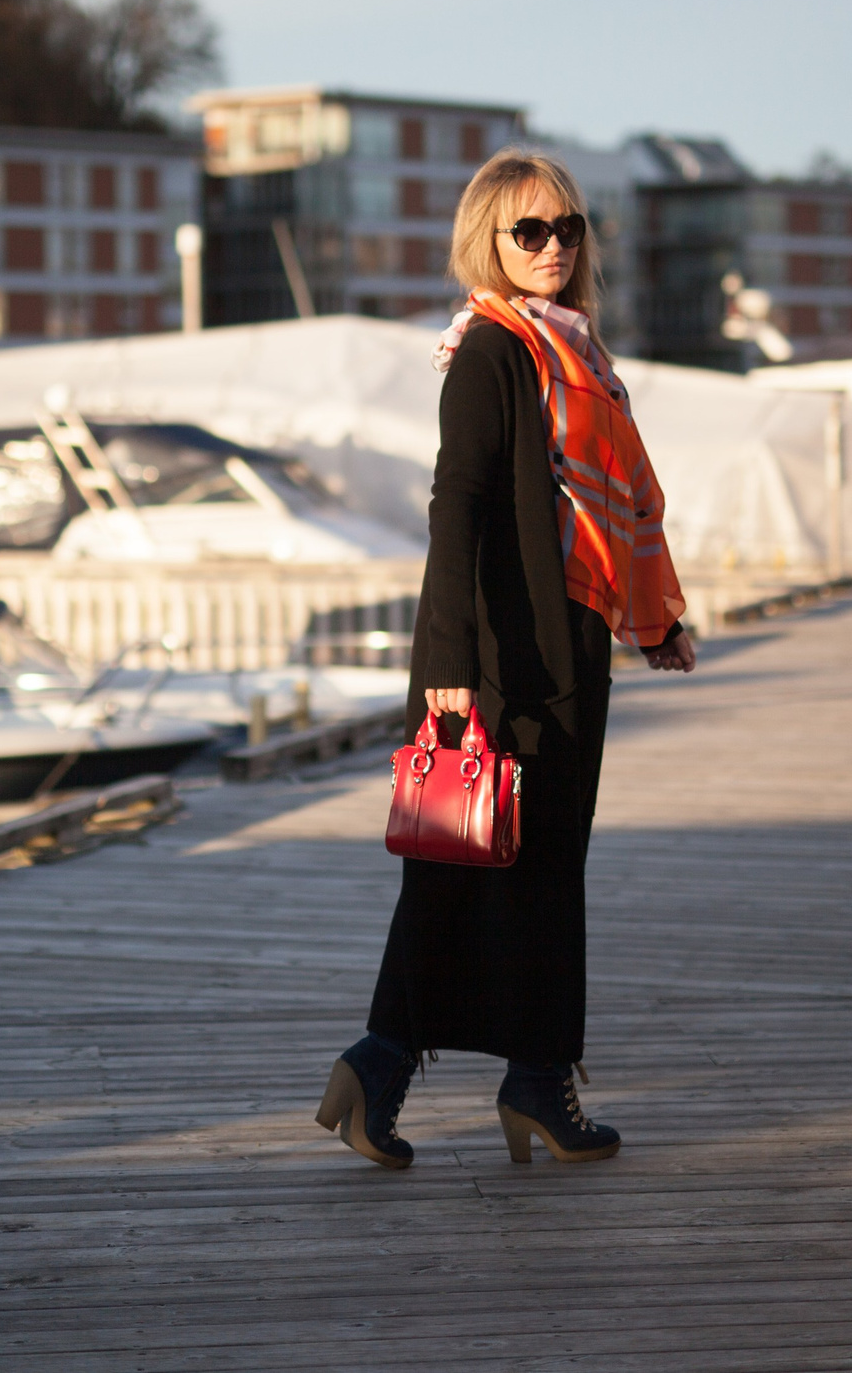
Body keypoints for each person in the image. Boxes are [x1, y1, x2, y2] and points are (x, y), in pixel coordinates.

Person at [314, 147, 696, 1170]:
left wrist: (651, 621)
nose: (554, 246)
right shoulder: (495, 351)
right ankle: (514, 1078)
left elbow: (598, 508)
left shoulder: (575, 355)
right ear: (487, 239)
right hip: (493, 653)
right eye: (530, 230)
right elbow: (458, 507)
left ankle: (405, 1070)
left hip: (559, 637)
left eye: (567, 227)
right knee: (498, 870)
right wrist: (445, 660)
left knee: (500, 873)